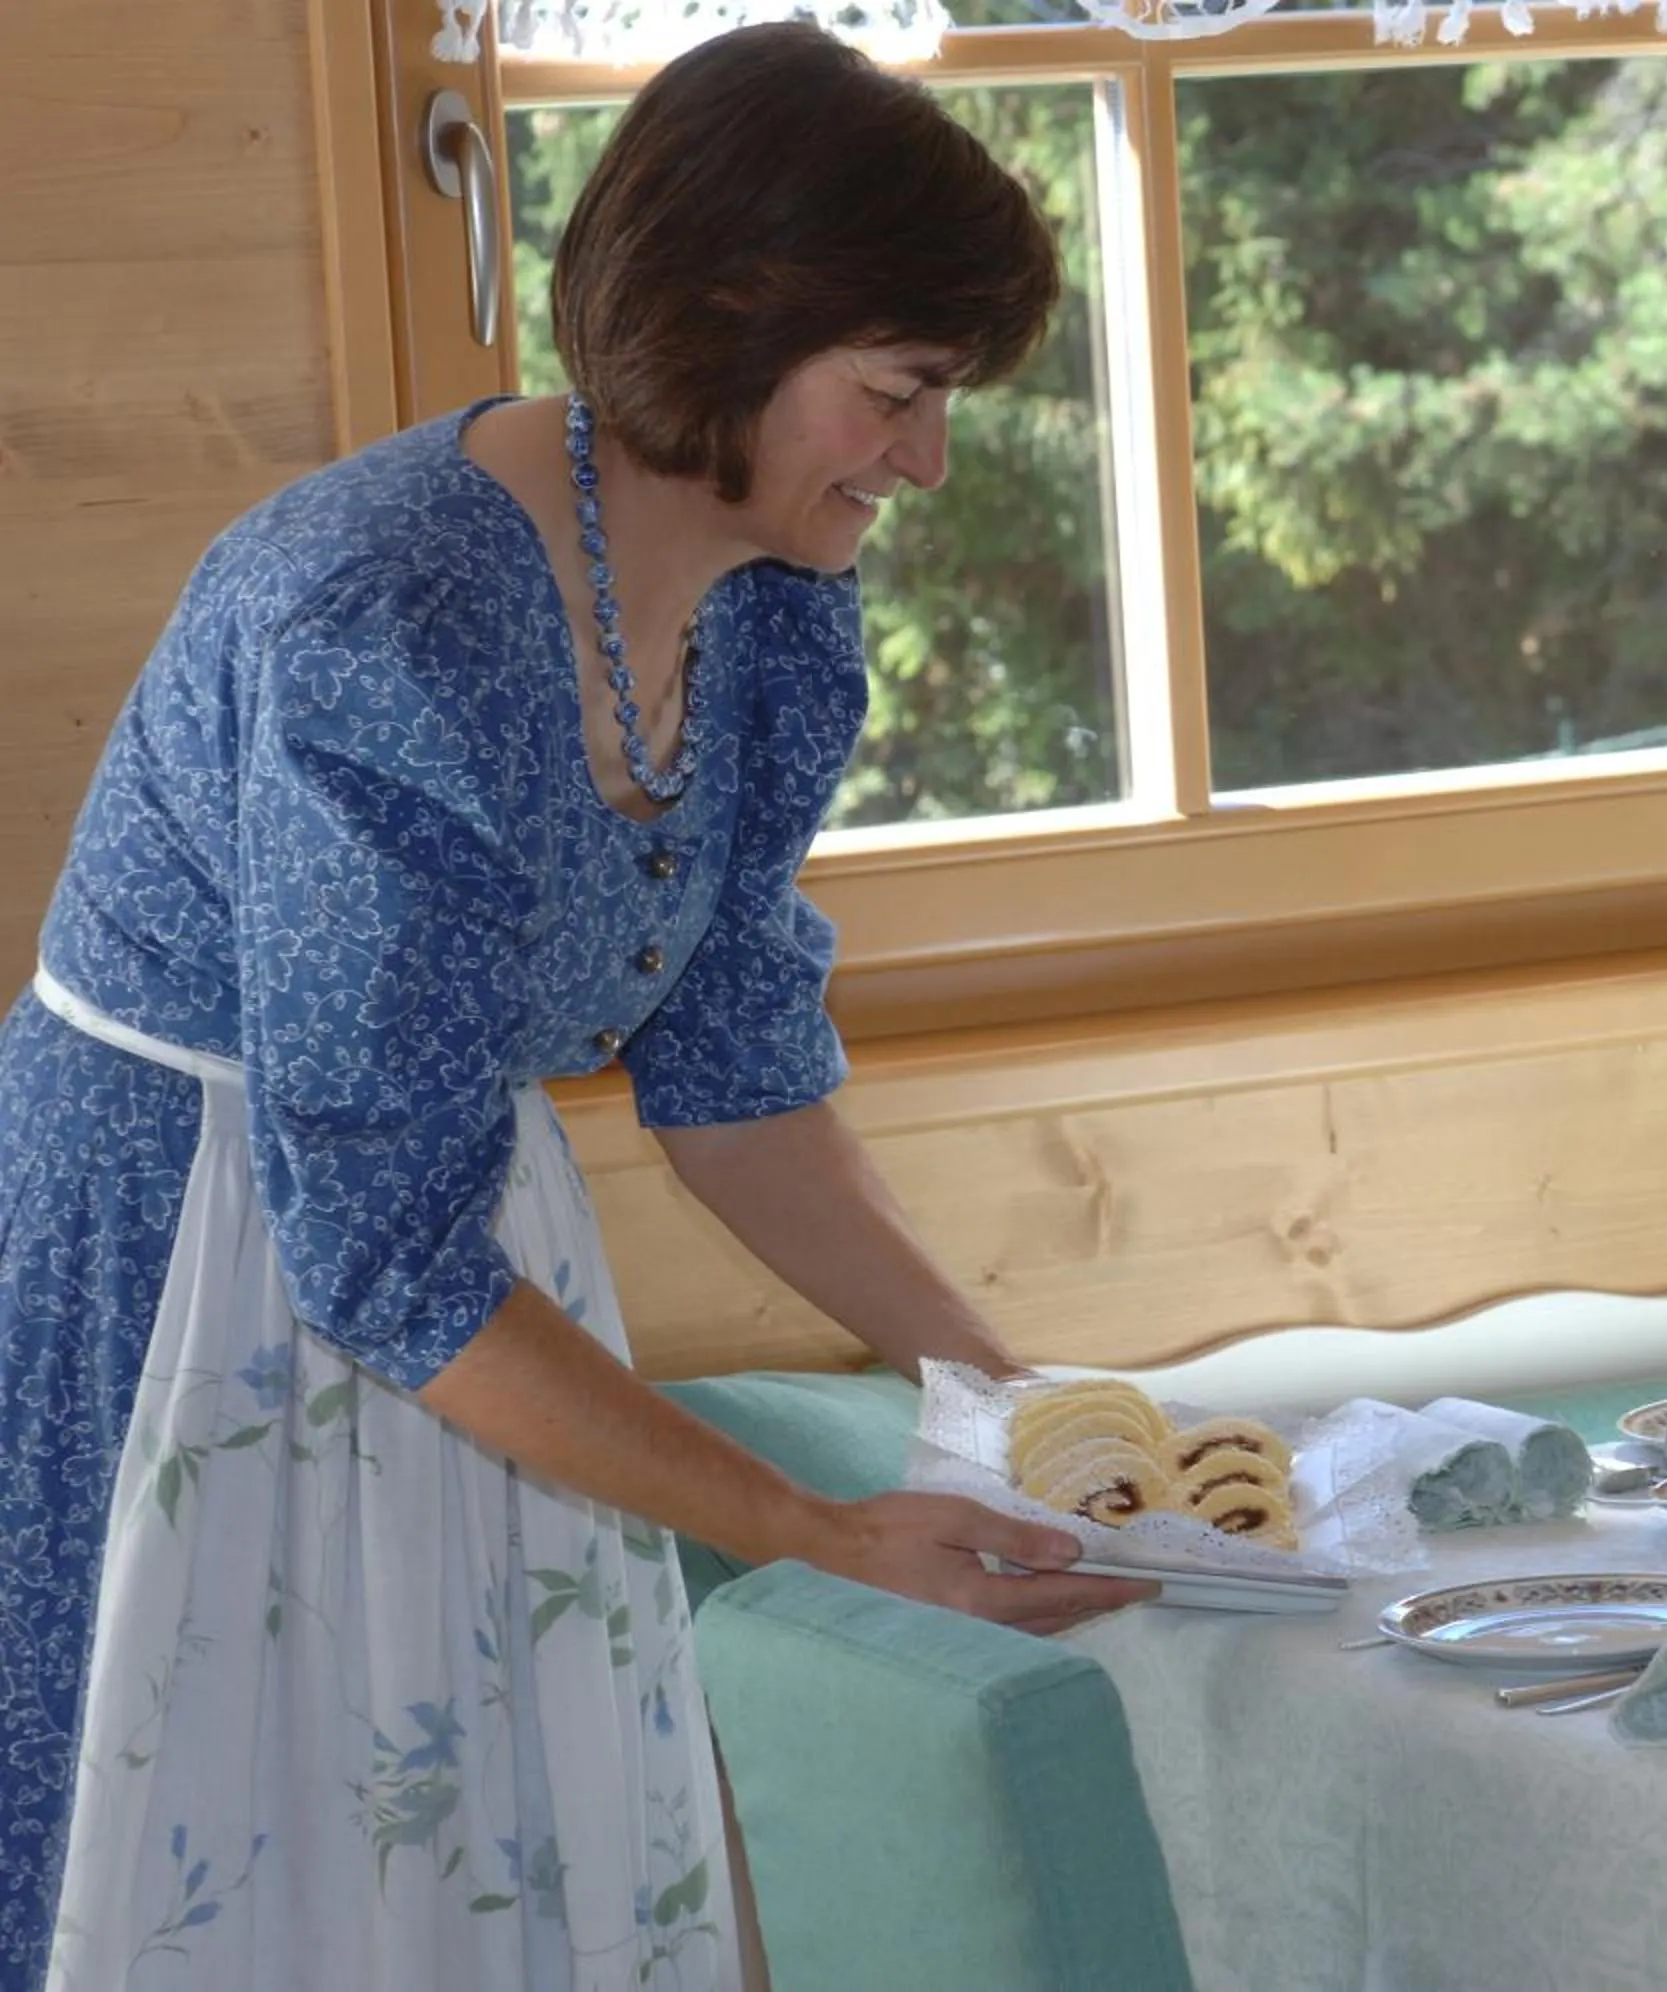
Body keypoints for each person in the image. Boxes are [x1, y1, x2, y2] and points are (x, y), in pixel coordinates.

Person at [0, 24, 1155, 1990]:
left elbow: (732, 1079)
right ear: (725, 321)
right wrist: (816, 1526)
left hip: (469, 1275)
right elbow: (372, 1251)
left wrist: (1009, 1403)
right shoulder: (380, 623)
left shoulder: (780, 605)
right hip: (192, 1274)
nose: (927, 461)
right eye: (894, 396)